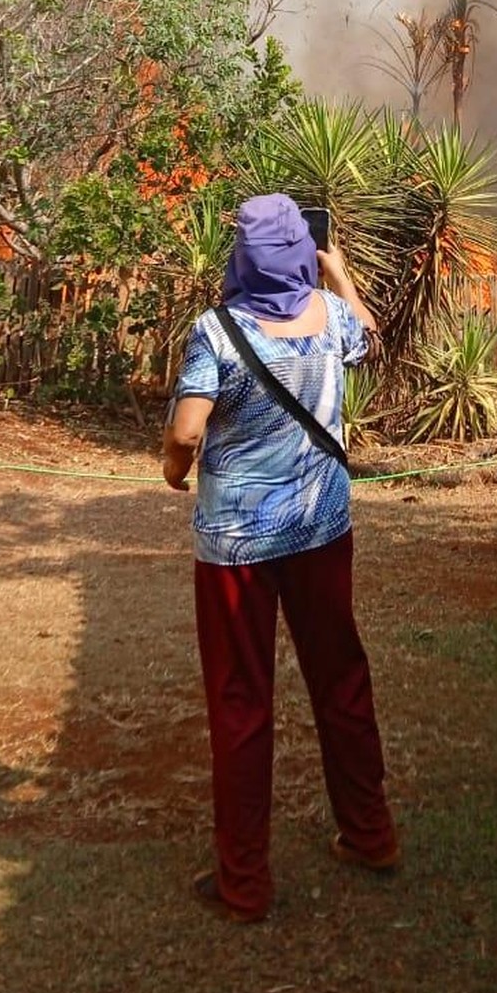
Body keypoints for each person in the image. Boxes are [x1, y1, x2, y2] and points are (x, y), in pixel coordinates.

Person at [162, 193, 398, 923]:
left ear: (242, 256)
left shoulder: (217, 331)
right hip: (321, 529)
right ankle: (370, 835)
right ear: (301, 248)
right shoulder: (331, 320)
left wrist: (173, 469)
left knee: (241, 701)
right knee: (340, 676)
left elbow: (187, 430)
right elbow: (370, 333)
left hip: (236, 548)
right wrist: (339, 272)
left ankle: (244, 882)